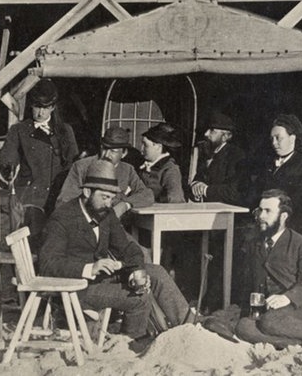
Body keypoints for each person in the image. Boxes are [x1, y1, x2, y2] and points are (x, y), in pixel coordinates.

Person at [39, 159, 192, 345]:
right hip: (76, 288)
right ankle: (129, 343)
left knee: (157, 272)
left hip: (99, 280)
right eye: (104, 197)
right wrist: (89, 268)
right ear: (87, 192)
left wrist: (135, 271)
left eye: (112, 198)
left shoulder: (104, 213)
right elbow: (47, 264)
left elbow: (128, 248)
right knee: (139, 297)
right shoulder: (62, 218)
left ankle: (190, 327)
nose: (109, 203)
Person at [235, 189, 302, 349]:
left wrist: (287, 298)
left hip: (300, 308)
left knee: (269, 321)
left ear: (283, 216)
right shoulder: (255, 243)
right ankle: (295, 344)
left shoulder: (300, 244)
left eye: (268, 211)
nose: (261, 216)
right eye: (260, 210)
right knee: (244, 325)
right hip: (268, 309)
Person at [0, 79, 79, 239]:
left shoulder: (64, 130)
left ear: (53, 107)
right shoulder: (19, 130)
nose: (40, 113)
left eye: (45, 108)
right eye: (37, 107)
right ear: (31, 105)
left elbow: (73, 163)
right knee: (30, 241)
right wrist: (8, 167)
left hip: (58, 195)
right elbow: (8, 156)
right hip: (31, 195)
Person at [250, 114, 302, 239]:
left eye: (278, 138)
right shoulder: (268, 163)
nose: (274, 143)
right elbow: (256, 191)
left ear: (292, 138)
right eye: (272, 139)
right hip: (265, 224)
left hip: (294, 228)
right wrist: (257, 210)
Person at [55, 127, 154, 217]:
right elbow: (63, 202)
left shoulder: (127, 170)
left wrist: (124, 205)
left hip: (114, 225)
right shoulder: (81, 166)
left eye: (113, 151)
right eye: (104, 148)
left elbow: (147, 194)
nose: (106, 155)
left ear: (123, 153)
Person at [189, 112, 247, 206]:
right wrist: (195, 184)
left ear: (225, 136)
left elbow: (234, 191)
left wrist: (205, 190)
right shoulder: (206, 152)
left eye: (212, 130)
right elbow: (200, 177)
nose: (206, 134)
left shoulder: (236, 155)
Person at [139, 123, 185, 203]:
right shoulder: (145, 167)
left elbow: (175, 199)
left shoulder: (170, 169)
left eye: (145, 145)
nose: (141, 149)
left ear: (158, 147)